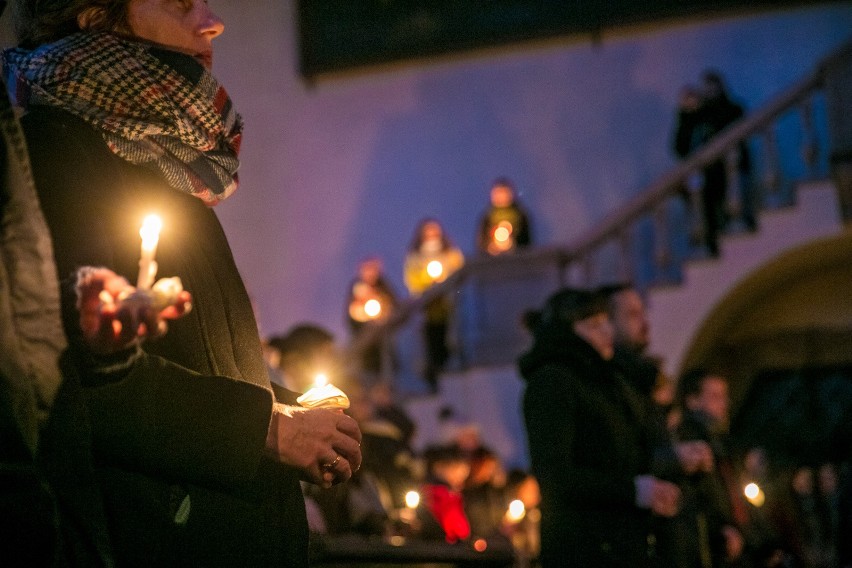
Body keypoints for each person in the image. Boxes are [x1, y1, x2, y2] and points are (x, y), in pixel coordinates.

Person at [2, 2, 362, 566]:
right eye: (178, 1)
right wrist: (264, 430)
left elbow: (198, 359)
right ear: (96, 17)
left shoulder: (160, 162)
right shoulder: (58, 155)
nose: (211, 19)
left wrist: (300, 415)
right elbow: (75, 379)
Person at [519, 287, 680, 567]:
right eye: (593, 325)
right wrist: (633, 490)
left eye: (606, 321)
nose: (607, 331)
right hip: (587, 548)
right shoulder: (553, 382)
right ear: (567, 332)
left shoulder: (606, 381)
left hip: (622, 543)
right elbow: (556, 475)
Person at [672, 369, 751, 568]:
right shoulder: (689, 440)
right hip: (709, 546)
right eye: (715, 396)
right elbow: (699, 493)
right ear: (693, 401)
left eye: (725, 396)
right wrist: (720, 528)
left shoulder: (720, 443)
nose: (724, 403)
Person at [673, 71, 753, 258]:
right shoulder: (698, 115)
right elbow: (680, 148)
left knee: (730, 209)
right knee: (702, 210)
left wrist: (710, 107)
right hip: (706, 179)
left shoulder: (733, 109)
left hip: (730, 175)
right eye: (705, 89)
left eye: (712, 88)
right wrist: (685, 115)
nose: (708, 93)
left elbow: (733, 129)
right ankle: (709, 243)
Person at [403, 218, 464, 391]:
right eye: (428, 231)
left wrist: (443, 283)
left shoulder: (450, 253)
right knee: (431, 342)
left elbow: (458, 273)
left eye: (434, 231)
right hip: (428, 310)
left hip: (448, 306)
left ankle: (451, 367)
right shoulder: (415, 257)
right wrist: (427, 284)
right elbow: (412, 280)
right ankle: (434, 374)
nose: (431, 235)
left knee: (450, 337)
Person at [345, 256, 398, 376]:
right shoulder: (356, 287)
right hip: (363, 331)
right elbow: (350, 313)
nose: (369, 274)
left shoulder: (384, 286)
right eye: (366, 270)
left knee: (384, 356)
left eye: (372, 270)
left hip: (383, 331)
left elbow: (394, 304)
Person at [476, 177, 532, 256]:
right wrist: (490, 247)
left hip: (516, 258)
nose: (501, 196)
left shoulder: (520, 215)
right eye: (498, 193)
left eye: (504, 193)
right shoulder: (488, 216)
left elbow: (527, 240)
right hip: (492, 260)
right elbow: (481, 242)